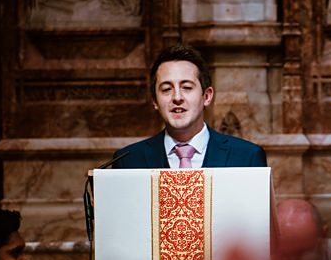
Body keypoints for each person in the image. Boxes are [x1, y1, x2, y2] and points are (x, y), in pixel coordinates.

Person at [112, 44, 267, 169]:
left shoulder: (247, 157)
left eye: (186, 87)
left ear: (206, 96)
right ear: (154, 101)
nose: (177, 97)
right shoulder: (128, 161)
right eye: (166, 89)